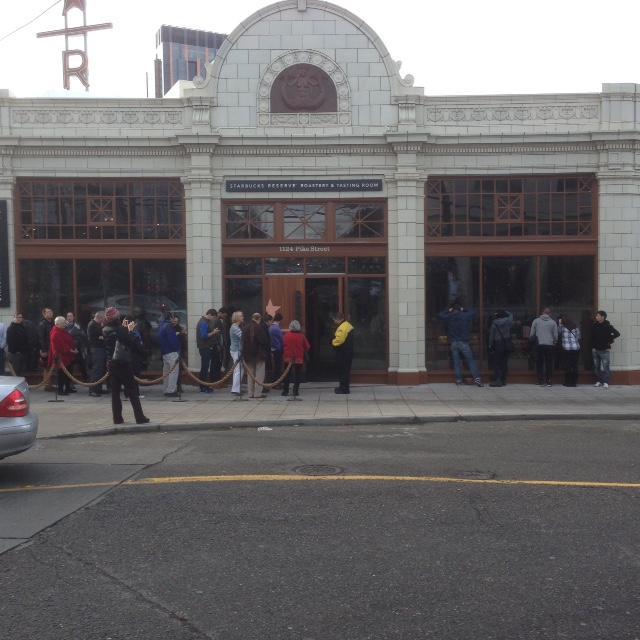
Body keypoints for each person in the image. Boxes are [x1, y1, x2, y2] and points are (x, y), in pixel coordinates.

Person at [102, 307, 149, 425]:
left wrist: (126, 328)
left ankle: (117, 418)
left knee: (115, 392)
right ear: (117, 317)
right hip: (122, 362)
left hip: (111, 362)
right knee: (132, 390)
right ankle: (139, 417)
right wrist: (129, 329)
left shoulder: (105, 329)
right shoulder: (120, 329)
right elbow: (130, 341)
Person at [438, 303, 482, 387]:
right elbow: (474, 312)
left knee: (456, 362)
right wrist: (464, 309)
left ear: (453, 310)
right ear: (459, 309)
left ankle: (459, 380)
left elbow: (440, 315)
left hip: (454, 342)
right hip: (464, 342)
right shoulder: (465, 316)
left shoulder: (449, 317)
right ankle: (477, 379)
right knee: (470, 361)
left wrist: (448, 310)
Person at [242, 312, 271, 399]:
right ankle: (257, 393)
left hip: (247, 355)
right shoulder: (259, 327)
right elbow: (264, 341)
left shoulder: (245, 327)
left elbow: (242, 341)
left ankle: (250, 393)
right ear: (259, 319)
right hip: (259, 355)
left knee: (250, 375)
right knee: (259, 374)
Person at [282, 320, 310, 400]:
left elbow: (282, 345)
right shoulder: (302, 336)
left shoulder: (286, 335)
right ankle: (295, 391)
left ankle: (285, 391)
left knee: (286, 375)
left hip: (288, 357)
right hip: (298, 358)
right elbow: (307, 347)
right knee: (298, 375)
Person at [49, 316, 77, 396]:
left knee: (69, 373)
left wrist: (73, 348)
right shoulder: (55, 333)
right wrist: (70, 350)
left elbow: (69, 340)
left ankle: (68, 388)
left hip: (68, 355)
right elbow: (59, 346)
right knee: (61, 374)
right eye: (63, 323)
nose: (65, 324)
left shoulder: (63, 331)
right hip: (61, 357)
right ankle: (60, 390)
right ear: (57, 324)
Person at [591, 310, 620, 388]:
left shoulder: (608, 326)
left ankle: (606, 382)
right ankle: (598, 381)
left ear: (602, 317)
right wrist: (593, 347)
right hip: (595, 350)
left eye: (598, 316)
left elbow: (617, 334)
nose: (596, 317)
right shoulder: (594, 325)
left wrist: (609, 341)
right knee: (596, 367)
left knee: (605, 367)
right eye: (596, 316)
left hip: (604, 350)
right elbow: (592, 337)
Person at [530, 308, 558, 387]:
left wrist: (532, 340)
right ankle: (549, 380)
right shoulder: (553, 322)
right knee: (549, 363)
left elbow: (532, 333)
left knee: (539, 363)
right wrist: (555, 342)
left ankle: (540, 380)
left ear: (542, 313)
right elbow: (555, 335)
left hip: (539, 344)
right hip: (549, 345)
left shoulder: (536, 321)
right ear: (550, 314)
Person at [196, 309, 221, 393]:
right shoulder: (203, 322)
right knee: (205, 368)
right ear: (209, 314)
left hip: (205, 347)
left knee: (205, 367)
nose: (213, 319)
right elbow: (204, 336)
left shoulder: (205, 321)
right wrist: (213, 332)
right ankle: (203, 387)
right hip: (205, 348)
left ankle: (204, 386)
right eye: (213, 317)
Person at [157, 313, 181, 398]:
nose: (174, 320)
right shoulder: (169, 327)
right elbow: (173, 340)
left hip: (164, 352)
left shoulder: (161, 326)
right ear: (170, 318)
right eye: (173, 318)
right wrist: (177, 349)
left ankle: (166, 389)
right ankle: (171, 390)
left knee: (166, 373)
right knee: (173, 372)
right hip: (171, 352)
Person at [488, 309, 513, 387]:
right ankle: (503, 380)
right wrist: (506, 311)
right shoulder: (508, 322)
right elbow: (511, 314)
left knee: (497, 363)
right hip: (507, 343)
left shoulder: (494, 324)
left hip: (498, 344)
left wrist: (490, 345)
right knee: (504, 363)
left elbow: (491, 337)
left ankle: (498, 380)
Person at [332, 311, 355, 394]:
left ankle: (343, 389)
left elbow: (339, 340)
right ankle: (344, 387)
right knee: (346, 371)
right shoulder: (347, 325)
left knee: (343, 371)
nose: (334, 322)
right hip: (348, 352)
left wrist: (333, 342)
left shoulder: (342, 327)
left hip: (344, 353)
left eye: (334, 320)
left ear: (337, 319)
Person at [65, 311, 89, 382]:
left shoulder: (77, 325)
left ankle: (86, 380)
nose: (69, 318)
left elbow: (83, 336)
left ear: (74, 317)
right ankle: (69, 383)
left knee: (82, 365)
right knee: (69, 367)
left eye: (71, 316)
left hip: (78, 349)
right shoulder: (64, 326)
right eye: (68, 316)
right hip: (69, 350)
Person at [87, 311, 106, 397]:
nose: (103, 321)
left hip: (100, 349)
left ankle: (98, 388)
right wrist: (102, 336)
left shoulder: (97, 325)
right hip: (96, 349)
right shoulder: (93, 325)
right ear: (99, 317)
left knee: (100, 370)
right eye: (103, 319)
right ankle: (93, 389)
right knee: (96, 370)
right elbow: (102, 335)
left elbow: (102, 336)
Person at [559, 316, 581, 387]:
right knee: (574, 366)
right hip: (576, 348)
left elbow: (557, 333)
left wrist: (559, 324)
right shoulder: (575, 327)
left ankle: (567, 382)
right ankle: (574, 382)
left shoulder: (562, 328)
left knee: (567, 365)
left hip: (567, 349)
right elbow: (579, 337)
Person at [37, 308, 55, 388]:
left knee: (51, 366)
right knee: (47, 367)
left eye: (51, 311)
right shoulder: (42, 324)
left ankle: (50, 384)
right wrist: (43, 350)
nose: (50, 313)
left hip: (52, 348)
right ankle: (47, 385)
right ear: (44, 314)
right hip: (46, 349)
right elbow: (41, 338)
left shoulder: (53, 323)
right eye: (48, 312)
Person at [229, 310, 244, 398]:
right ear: (237, 318)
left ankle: (237, 388)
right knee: (238, 370)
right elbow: (243, 336)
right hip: (236, 350)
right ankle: (235, 389)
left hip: (237, 350)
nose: (243, 317)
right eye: (241, 316)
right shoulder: (235, 327)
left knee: (239, 370)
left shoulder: (236, 326)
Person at [269, 312, 284, 385]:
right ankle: (277, 383)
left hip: (272, 349)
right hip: (277, 349)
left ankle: (275, 381)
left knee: (275, 366)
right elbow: (281, 340)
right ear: (280, 320)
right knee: (278, 367)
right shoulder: (277, 328)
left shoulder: (270, 327)